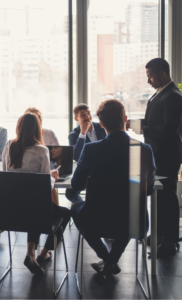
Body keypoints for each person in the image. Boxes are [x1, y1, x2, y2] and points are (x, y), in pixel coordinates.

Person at [71, 100, 156, 276]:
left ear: (101, 124)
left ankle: (106, 257)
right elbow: (148, 190)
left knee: (76, 208)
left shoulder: (91, 150)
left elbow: (76, 186)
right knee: (127, 213)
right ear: (125, 119)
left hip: (97, 219)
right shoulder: (143, 149)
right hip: (135, 221)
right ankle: (112, 259)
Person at [2, 113, 71, 275]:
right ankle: (43, 253)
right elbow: (45, 187)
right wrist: (52, 177)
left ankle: (31, 253)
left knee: (36, 206)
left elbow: (6, 176)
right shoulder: (41, 150)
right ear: (37, 130)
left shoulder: (8, 145)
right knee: (64, 213)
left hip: (11, 213)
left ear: (18, 127)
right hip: (36, 212)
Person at [128, 58, 182, 258]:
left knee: (167, 197)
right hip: (157, 155)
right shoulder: (159, 95)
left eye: (150, 75)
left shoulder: (173, 96)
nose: (148, 80)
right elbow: (156, 120)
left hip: (167, 157)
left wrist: (145, 128)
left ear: (162, 74)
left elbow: (170, 129)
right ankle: (159, 235)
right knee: (159, 197)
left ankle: (169, 242)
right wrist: (137, 124)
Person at [66, 103, 106, 204]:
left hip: (104, 169)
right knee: (70, 192)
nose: (87, 117)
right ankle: (84, 208)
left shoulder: (102, 127)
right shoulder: (74, 135)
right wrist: (82, 134)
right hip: (86, 171)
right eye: (83, 114)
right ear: (76, 118)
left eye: (88, 113)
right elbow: (76, 156)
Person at [25, 107, 60, 205]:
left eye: (38, 117)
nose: (37, 120)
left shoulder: (9, 145)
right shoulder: (42, 149)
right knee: (50, 184)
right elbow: (45, 180)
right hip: (38, 178)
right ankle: (54, 213)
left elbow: (58, 152)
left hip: (49, 166)